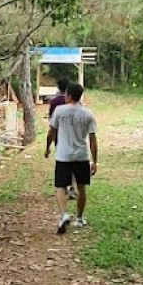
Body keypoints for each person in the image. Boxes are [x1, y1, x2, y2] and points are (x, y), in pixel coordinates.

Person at [45, 82, 97, 234]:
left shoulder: (60, 111)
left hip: (63, 155)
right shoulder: (88, 113)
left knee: (61, 186)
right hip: (81, 155)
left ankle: (63, 214)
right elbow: (93, 139)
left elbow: (51, 132)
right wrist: (95, 161)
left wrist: (47, 147)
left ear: (68, 95)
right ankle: (79, 218)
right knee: (81, 187)